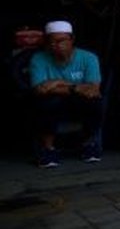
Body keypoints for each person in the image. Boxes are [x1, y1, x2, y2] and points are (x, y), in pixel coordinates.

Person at [29, 20, 103, 167]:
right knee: (47, 101)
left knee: (94, 102)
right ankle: (48, 149)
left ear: (72, 39)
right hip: (53, 101)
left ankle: (88, 144)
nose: (57, 45)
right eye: (52, 41)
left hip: (79, 101)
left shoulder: (88, 58)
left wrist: (55, 82)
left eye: (61, 40)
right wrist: (75, 87)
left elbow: (93, 89)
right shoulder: (38, 59)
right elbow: (40, 89)